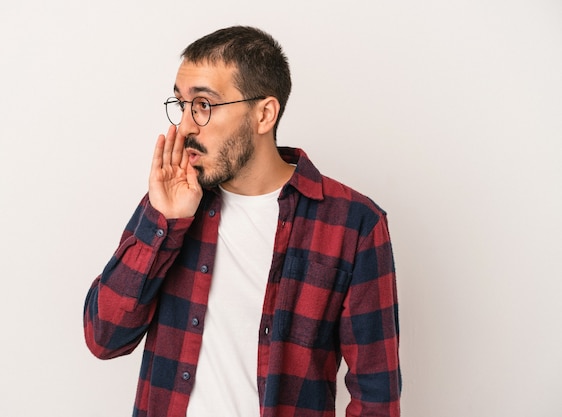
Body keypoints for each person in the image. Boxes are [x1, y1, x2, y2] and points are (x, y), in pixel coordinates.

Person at [84, 25, 401, 417]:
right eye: (181, 104)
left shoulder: (353, 224)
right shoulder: (172, 202)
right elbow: (104, 337)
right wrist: (163, 222)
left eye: (203, 105)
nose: (184, 127)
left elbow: (376, 396)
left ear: (264, 113)